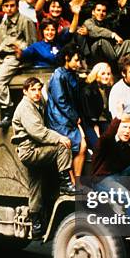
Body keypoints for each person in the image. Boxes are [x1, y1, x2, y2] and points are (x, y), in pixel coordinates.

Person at [11, 77, 81, 236]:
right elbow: (38, 132)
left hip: (36, 148)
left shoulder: (37, 102)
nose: (36, 93)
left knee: (35, 186)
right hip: (30, 150)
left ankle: (36, 224)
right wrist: (60, 138)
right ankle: (66, 183)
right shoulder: (25, 108)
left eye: (38, 89)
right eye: (32, 90)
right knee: (62, 148)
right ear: (25, 91)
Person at [91, 112, 130, 236]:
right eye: (124, 127)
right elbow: (108, 135)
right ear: (117, 128)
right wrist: (118, 116)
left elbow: (124, 165)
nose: (127, 131)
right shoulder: (105, 141)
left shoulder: (125, 147)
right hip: (103, 180)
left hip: (118, 177)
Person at [0, 0, 38, 128]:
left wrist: (22, 53)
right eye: (6, 6)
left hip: (16, 58)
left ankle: (8, 111)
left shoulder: (25, 21)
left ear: (17, 6)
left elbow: (33, 45)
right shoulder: (3, 23)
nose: (9, 9)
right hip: (2, 58)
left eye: (12, 6)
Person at [46, 44, 87, 181]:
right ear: (66, 58)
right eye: (76, 60)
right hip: (59, 120)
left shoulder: (71, 74)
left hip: (68, 118)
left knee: (82, 146)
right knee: (71, 146)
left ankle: (77, 181)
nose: (78, 63)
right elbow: (61, 101)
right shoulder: (58, 75)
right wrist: (75, 118)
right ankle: (73, 183)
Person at [83, 0, 130, 64]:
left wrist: (121, 8)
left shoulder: (107, 23)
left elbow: (119, 23)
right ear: (93, 12)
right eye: (98, 10)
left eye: (103, 11)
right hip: (94, 54)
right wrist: (113, 35)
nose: (101, 13)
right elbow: (95, 30)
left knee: (129, 43)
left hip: (112, 53)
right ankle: (118, 62)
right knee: (102, 41)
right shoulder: (88, 22)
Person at [80, 62, 114, 149]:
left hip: (103, 120)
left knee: (111, 145)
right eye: (103, 73)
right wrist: (96, 129)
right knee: (98, 146)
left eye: (108, 74)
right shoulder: (88, 90)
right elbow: (89, 115)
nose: (106, 76)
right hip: (90, 123)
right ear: (96, 74)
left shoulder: (108, 88)